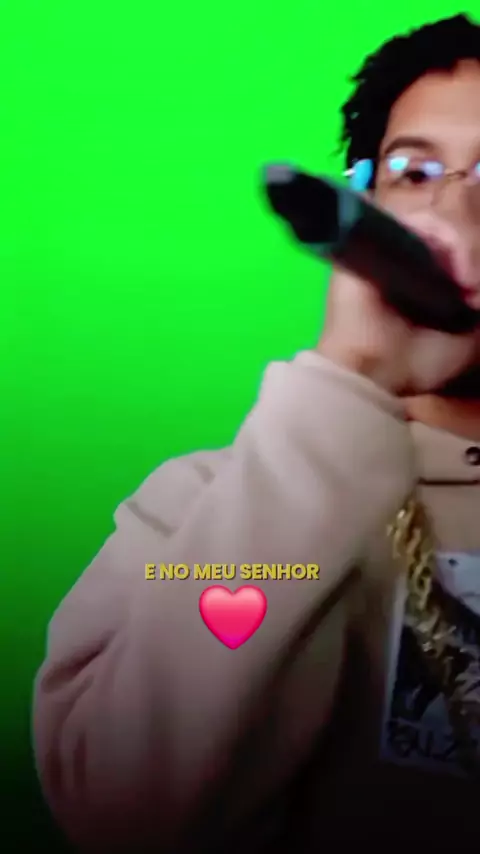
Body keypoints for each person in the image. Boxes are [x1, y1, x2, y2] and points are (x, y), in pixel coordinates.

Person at [33, 13, 480, 853]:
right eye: (413, 171)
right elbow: (122, 816)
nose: (454, 209)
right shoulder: (206, 508)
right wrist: (351, 374)